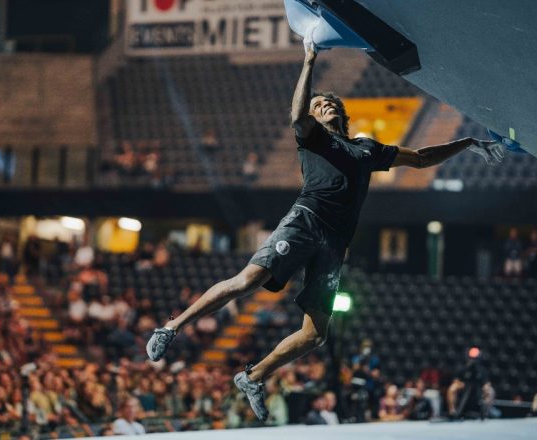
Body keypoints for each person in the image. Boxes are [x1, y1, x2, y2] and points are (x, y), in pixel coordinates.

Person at [145, 43, 503, 420]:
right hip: (305, 221)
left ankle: (253, 376)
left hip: (334, 244)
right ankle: (171, 328)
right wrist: (309, 59)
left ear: (341, 112)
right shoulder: (312, 137)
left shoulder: (366, 148)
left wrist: (468, 144)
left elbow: (421, 158)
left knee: (316, 334)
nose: (324, 105)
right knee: (247, 280)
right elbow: (298, 113)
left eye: (329, 103)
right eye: (318, 105)